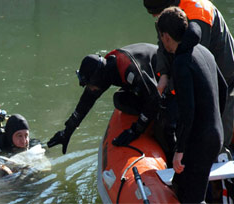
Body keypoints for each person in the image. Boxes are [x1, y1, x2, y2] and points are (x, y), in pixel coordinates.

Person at [143, 0, 234, 150]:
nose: (154, 16)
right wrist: (164, 74)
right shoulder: (169, 15)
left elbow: (195, 62)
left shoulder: (198, 15)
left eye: (155, 13)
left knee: (216, 130)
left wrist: (174, 88)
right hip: (196, 67)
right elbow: (163, 45)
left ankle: (220, 154)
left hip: (226, 74)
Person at [156, 7, 224, 202]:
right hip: (214, 135)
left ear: (166, 36)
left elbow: (188, 112)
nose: (162, 42)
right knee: (181, 183)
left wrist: (179, 151)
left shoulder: (181, 63)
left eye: (161, 37)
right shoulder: (204, 51)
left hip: (199, 141)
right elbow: (223, 87)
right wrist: (214, 120)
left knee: (193, 198)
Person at [47, 43, 165, 154]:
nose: (90, 89)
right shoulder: (105, 71)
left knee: (163, 128)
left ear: (97, 78)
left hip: (167, 78)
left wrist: (135, 130)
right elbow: (85, 102)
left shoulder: (128, 69)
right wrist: (67, 132)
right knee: (120, 100)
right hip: (149, 83)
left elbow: (155, 98)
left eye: (90, 85)